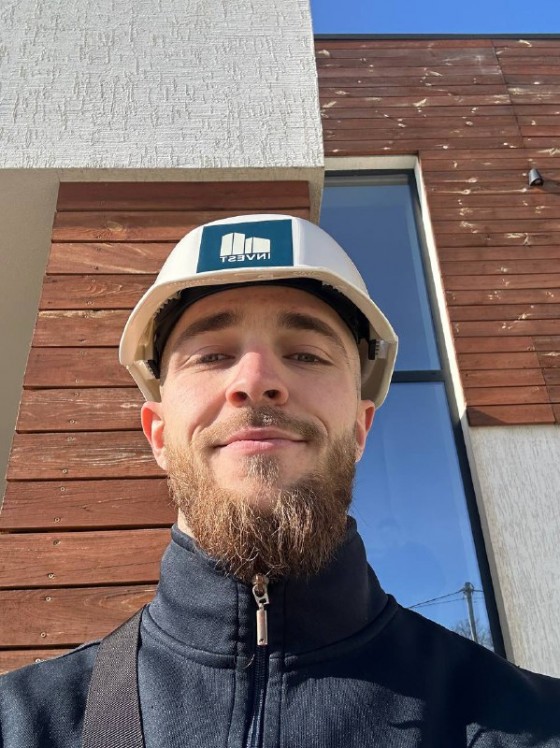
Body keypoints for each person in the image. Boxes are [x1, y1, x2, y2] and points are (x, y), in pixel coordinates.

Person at [1, 213, 559, 747]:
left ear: (360, 429)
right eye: (211, 355)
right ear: (159, 434)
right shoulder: (19, 722)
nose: (256, 380)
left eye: (307, 355)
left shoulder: (531, 722)